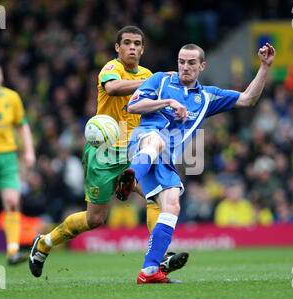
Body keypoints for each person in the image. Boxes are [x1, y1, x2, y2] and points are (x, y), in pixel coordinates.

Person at [29, 26, 188, 278]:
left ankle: (158, 258)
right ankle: (44, 243)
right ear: (118, 47)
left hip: (134, 151)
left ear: (143, 49)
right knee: (95, 219)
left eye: (137, 43)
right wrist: (154, 81)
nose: (132, 47)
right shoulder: (111, 69)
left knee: (155, 196)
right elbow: (113, 89)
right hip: (103, 153)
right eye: (126, 43)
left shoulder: (148, 75)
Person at [116, 42, 276, 283]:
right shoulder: (160, 80)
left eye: (191, 63)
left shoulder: (207, 96)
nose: (185, 67)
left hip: (164, 161)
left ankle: (149, 271)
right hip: (144, 141)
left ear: (202, 66)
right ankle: (130, 178)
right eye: (181, 61)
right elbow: (133, 105)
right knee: (156, 141)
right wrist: (168, 102)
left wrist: (264, 67)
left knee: (172, 206)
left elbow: (247, 99)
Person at [0, 62, 36, 265]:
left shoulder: (12, 98)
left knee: (12, 202)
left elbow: (23, 125)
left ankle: (12, 251)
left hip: (7, 157)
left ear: (1, 77)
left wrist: (29, 151)